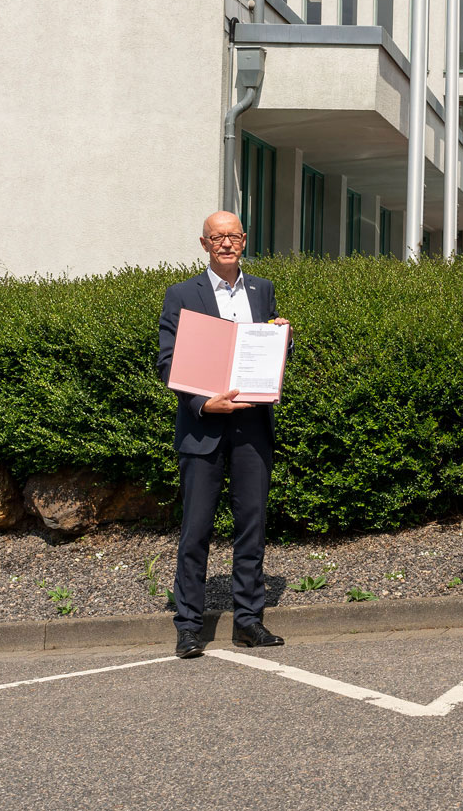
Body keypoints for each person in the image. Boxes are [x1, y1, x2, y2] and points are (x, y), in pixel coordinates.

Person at [158, 211, 290, 658]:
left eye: (233, 236)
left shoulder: (262, 290)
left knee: (252, 528)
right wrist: (201, 403)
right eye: (218, 237)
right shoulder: (181, 294)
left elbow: (268, 351)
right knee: (195, 531)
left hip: (253, 427)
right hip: (203, 428)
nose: (227, 243)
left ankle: (248, 622)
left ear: (244, 240)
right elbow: (168, 361)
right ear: (204, 244)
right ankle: (188, 627)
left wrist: (282, 340)